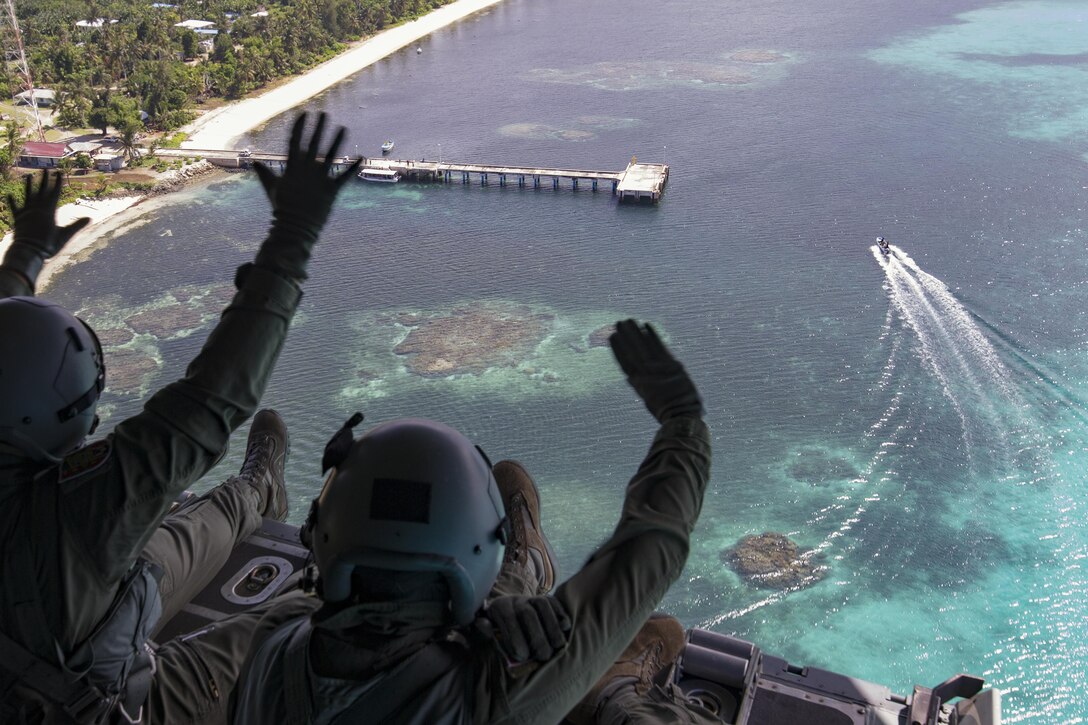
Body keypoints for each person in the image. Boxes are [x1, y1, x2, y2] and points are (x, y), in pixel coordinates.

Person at [0, 113, 361, 724]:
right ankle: (273, 529)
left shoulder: (85, 516)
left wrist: (27, 256)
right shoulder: (78, 514)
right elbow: (210, 403)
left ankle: (255, 489)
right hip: (107, 702)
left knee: (163, 544)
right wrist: (293, 235)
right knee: (277, 628)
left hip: (74, 609)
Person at [230, 318, 711, 724]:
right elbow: (651, 549)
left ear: (321, 535)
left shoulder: (274, 641)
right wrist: (683, 419)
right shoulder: (491, 692)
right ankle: (531, 586)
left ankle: (521, 575)